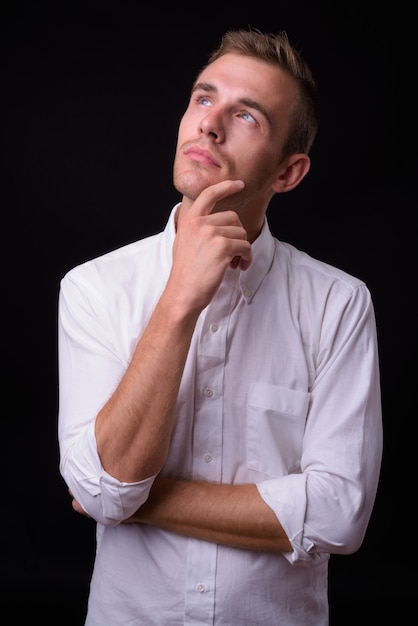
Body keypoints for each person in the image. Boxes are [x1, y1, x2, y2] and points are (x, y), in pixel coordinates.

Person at [57, 28, 383, 625]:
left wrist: (136, 503)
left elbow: (339, 513)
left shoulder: (339, 304)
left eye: (247, 116)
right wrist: (180, 298)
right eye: (203, 99)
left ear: (288, 172)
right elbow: (105, 489)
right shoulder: (94, 289)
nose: (209, 124)